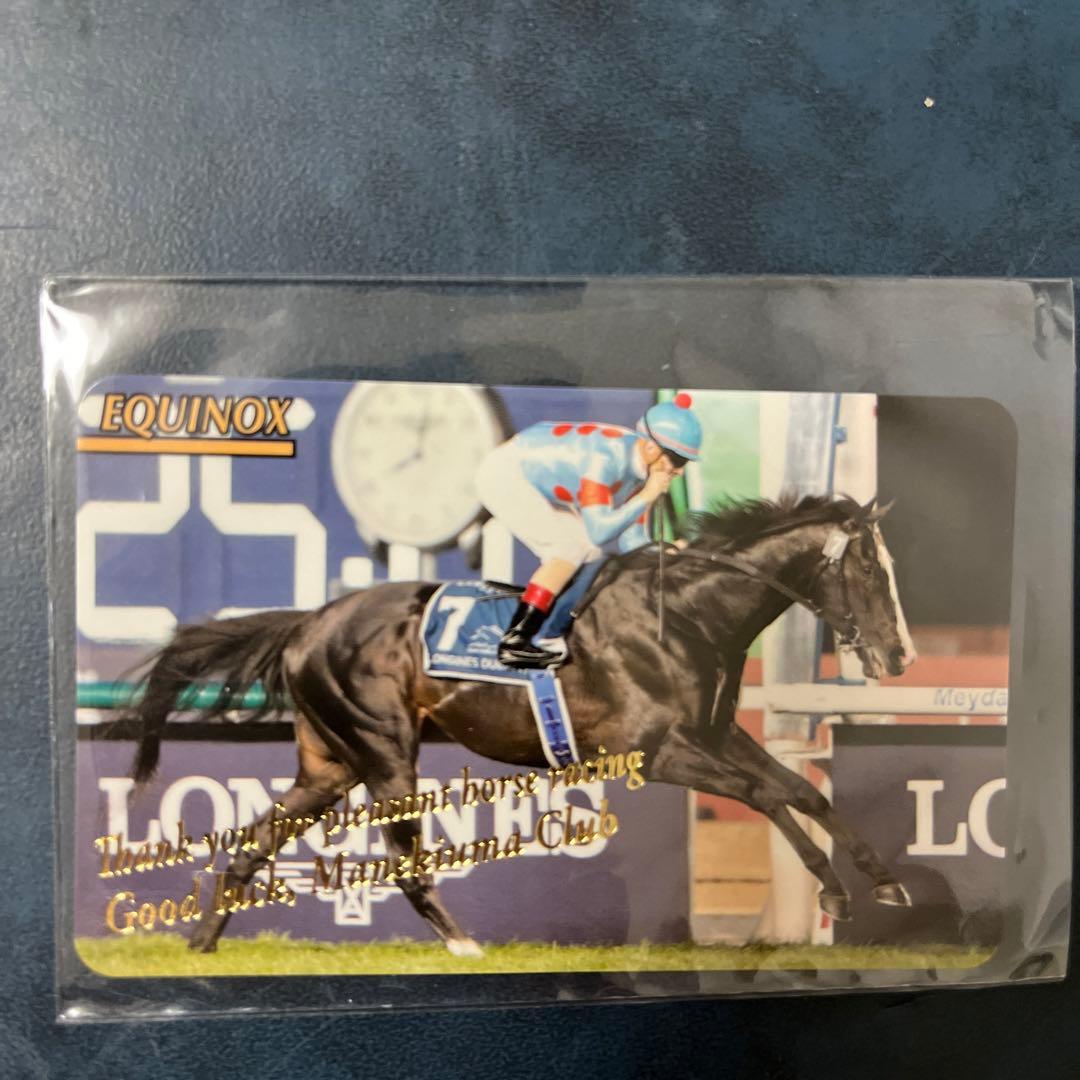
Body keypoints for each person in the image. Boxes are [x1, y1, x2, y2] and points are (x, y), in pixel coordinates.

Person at [475, 393, 703, 668]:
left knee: (594, 551)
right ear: (653, 449)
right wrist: (647, 497)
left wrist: (664, 551)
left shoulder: (641, 470)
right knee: (568, 550)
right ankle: (514, 642)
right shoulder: (604, 460)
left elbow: (631, 540)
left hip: (541, 478)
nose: (679, 472)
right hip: (506, 474)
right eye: (677, 461)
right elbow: (600, 532)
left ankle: (550, 633)